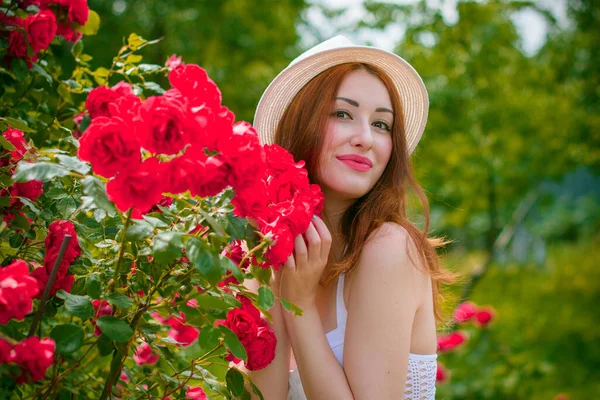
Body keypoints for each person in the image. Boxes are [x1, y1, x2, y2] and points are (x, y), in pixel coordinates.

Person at [242, 35, 454, 400]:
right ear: (301, 123)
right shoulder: (272, 255)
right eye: (343, 114)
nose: (365, 139)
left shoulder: (390, 248)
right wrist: (273, 268)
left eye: (382, 125)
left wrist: (302, 305)